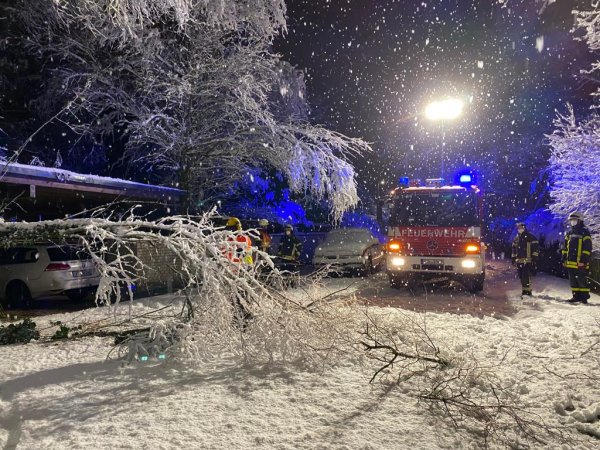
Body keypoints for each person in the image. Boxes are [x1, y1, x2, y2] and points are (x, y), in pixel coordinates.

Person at [223, 217, 254, 325]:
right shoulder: (230, 239)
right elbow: (225, 253)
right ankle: (238, 317)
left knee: (242, 296)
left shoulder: (242, 238)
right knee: (235, 297)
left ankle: (245, 318)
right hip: (234, 271)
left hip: (242, 271)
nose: (230, 231)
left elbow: (242, 253)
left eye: (231, 228)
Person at [562, 212, 593, 304]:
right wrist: (564, 258)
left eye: (574, 220)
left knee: (581, 280)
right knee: (573, 280)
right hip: (570, 262)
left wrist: (583, 260)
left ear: (580, 220)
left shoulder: (585, 232)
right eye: (571, 220)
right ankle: (576, 296)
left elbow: (587, 247)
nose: (572, 222)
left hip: (580, 262)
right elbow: (565, 247)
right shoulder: (569, 233)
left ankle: (584, 298)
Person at [511, 222, 539, 297]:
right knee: (521, 277)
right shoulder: (516, 238)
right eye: (518, 228)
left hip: (528, 260)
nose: (520, 229)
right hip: (519, 261)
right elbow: (514, 249)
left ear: (524, 228)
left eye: (521, 228)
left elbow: (535, 247)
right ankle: (524, 291)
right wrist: (513, 258)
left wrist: (534, 258)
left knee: (526, 276)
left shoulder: (530, 237)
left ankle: (528, 292)